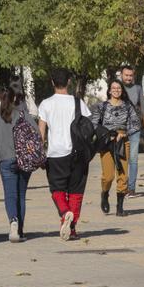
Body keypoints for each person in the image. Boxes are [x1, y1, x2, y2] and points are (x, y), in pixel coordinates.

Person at [37, 68, 92, 241]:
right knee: (76, 192)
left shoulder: (45, 104)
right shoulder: (78, 102)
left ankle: (64, 212)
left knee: (57, 189)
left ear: (52, 82)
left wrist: (40, 153)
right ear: (69, 81)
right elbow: (88, 127)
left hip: (55, 154)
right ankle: (72, 228)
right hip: (77, 153)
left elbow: (41, 132)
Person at [0, 83, 35, 242]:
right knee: (21, 195)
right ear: (15, 98)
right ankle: (20, 230)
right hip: (24, 160)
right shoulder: (23, 115)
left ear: (0, 99)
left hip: (5, 161)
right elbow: (36, 135)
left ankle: (13, 221)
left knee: (10, 195)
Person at [93, 79, 140, 217]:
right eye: (114, 88)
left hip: (122, 143)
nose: (116, 90)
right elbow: (94, 124)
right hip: (107, 143)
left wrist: (125, 133)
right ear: (109, 90)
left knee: (123, 175)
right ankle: (104, 194)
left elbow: (136, 124)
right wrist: (107, 134)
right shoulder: (101, 107)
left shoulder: (127, 106)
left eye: (119, 88)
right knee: (108, 176)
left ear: (122, 90)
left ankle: (120, 207)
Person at [119, 65, 144, 198]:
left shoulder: (138, 88)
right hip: (119, 129)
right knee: (121, 157)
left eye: (131, 75)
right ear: (121, 75)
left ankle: (131, 188)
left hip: (134, 128)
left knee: (133, 159)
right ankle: (121, 186)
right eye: (126, 75)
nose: (128, 78)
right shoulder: (116, 87)